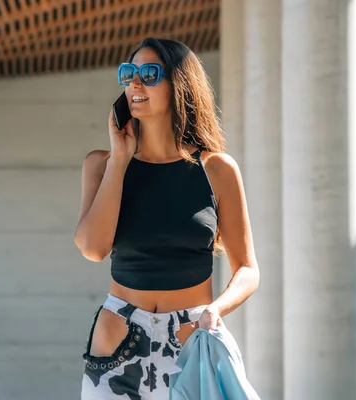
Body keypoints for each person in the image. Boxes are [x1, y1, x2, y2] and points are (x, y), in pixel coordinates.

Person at [74, 37, 260, 400]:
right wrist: (119, 159)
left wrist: (215, 310)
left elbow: (248, 269)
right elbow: (93, 249)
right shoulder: (101, 164)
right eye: (128, 74)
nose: (134, 84)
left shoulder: (216, 169)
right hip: (116, 345)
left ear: (180, 84)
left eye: (149, 73)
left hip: (190, 340)